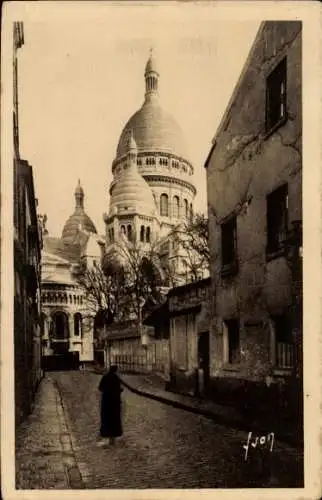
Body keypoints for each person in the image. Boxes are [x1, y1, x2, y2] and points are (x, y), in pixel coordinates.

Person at [97, 365, 123, 446]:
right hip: (114, 402)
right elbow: (119, 389)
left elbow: (100, 388)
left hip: (106, 401)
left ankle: (106, 434)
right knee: (114, 419)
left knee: (106, 418)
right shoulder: (116, 378)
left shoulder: (105, 377)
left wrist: (106, 390)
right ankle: (113, 436)